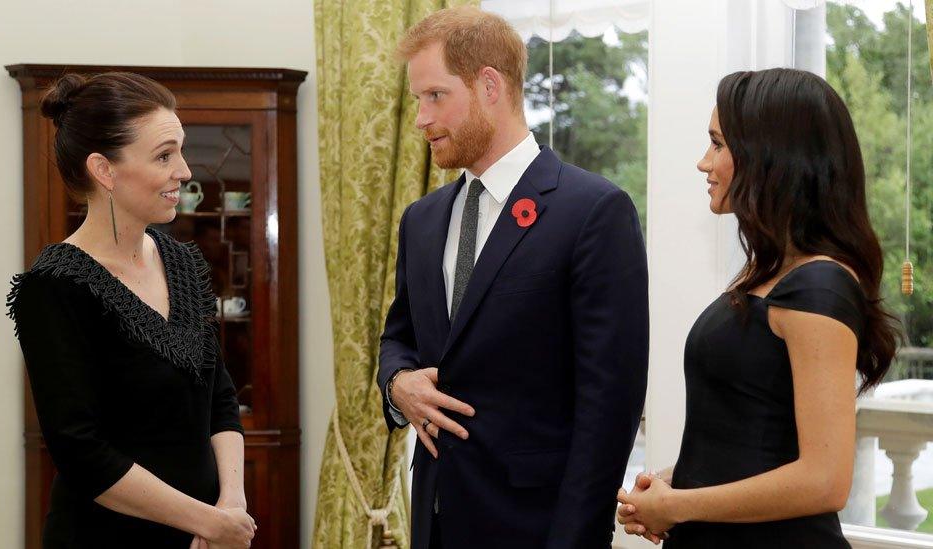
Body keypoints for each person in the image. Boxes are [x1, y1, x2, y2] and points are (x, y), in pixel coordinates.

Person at [377, 7, 649, 549]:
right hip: (434, 523)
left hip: (540, 529)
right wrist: (396, 384)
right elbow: (399, 338)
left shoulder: (594, 211)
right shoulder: (422, 220)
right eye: (417, 100)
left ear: (489, 86)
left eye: (435, 96)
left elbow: (610, 405)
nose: (421, 120)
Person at [616, 68, 899, 548]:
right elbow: (750, 442)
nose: (704, 163)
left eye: (718, 144)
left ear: (772, 156)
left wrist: (677, 506)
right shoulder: (772, 275)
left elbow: (824, 480)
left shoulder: (820, 287)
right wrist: (670, 484)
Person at [7, 72, 256, 549]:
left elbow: (220, 398)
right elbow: (83, 453)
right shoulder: (54, 287)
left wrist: (231, 503)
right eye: (165, 155)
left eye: (180, 150)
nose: (184, 170)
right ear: (104, 170)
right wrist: (203, 520)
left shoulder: (182, 260)